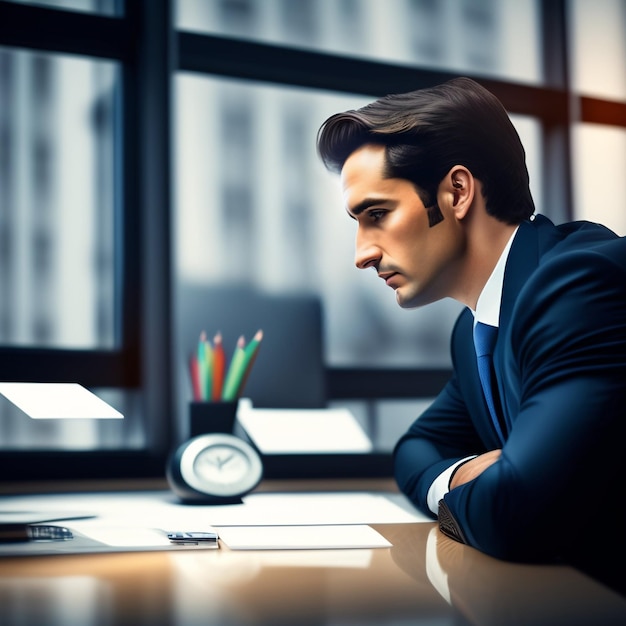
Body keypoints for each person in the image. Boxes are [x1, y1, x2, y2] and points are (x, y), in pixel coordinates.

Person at [316, 77, 626, 595]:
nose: (362, 253)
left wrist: (494, 495)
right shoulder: (475, 329)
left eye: (377, 215)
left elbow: (518, 515)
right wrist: (463, 478)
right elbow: (416, 447)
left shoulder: (578, 288)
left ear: (456, 192)